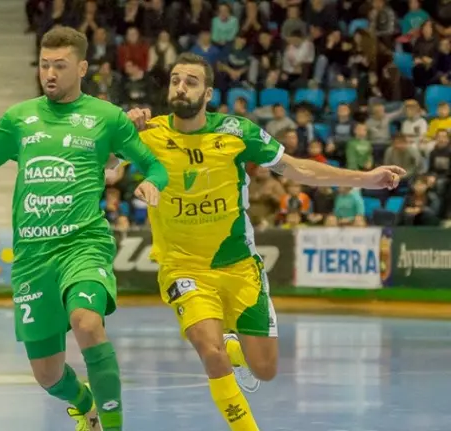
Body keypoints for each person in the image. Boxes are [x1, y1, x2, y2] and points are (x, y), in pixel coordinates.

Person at [0, 26, 168, 431]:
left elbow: (154, 165)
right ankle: (85, 403)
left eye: (60, 65)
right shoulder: (19, 119)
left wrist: (151, 183)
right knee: (48, 376)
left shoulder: (106, 118)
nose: (50, 73)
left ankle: (112, 425)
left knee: (87, 322)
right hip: (33, 256)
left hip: (83, 243)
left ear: (83, 68)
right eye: (44, 65)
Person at [120, 53, 405, 431]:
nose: (180, 87)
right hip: (183, 266)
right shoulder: (148, 133)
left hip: (239, 266)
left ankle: (235, 348)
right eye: (175, 79)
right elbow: (106, 166)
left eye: (191, 81)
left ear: (207, 93)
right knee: (209, 349)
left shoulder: (237, 133)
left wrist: (366, 178)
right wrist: (122, 130)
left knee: (265, 369)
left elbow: (297, 167)